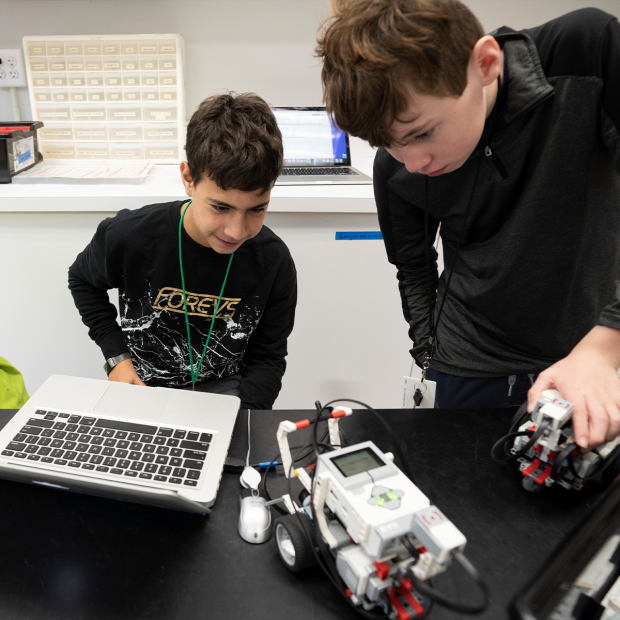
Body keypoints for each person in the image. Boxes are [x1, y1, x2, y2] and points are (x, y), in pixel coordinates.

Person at [316, 0, 620, 447]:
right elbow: (414, 269)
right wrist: (429, 351)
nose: (414, 163)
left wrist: (603, 347)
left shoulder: (586, 52)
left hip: (587, 343)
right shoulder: (396, 165)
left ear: (485, 64)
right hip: (466, 356)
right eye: (389, 144)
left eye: (422, 133)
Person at [68, 93, 297, 410]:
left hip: (227, 392)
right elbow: (82, 281)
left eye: (257, 209)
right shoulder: (127, 235)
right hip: (141, 386)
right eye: (220, 207)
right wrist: (117, 357)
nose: (236, 230)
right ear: (189, 178)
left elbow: (268, 356)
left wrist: (243, 418)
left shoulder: (273, 259)